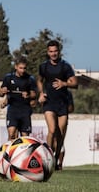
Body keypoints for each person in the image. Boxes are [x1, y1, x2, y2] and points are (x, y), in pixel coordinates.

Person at [37, 40, 78, 170]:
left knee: (60, 133)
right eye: (51, 51)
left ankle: (55, 159)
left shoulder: (65, 66)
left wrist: (64, 84)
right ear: (47, 52)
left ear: (59, 52)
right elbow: (39, 80)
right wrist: (41, 93)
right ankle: (47, 157)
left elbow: (75, 83)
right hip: (49, 103)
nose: (53, 54)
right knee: (52, 130)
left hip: (62, 104)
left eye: (55, 51)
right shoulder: (43, 66)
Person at [0, 56, 37, 141]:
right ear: (16, 67)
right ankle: (10, 153)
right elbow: (0, 93)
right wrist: (2, 91)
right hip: (13, 109)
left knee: (25, 138)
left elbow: (34, 94)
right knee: (12, 134)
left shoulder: (30, 79)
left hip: (25, 110)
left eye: (24, 68)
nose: (22, 70)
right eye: (20, 68)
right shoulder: (8, 78)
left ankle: (23, 153)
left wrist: (28, 95)